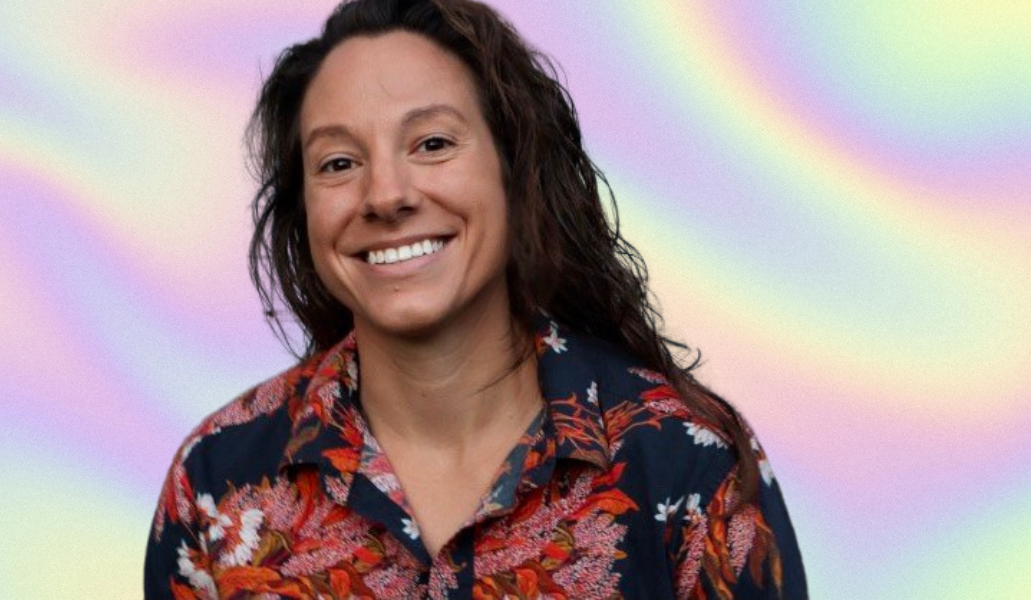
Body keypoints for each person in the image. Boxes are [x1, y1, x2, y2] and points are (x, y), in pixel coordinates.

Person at [144, 0, 806, 597]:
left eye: (432, 144)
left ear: (515, 171)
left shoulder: (686, 461)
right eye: (338, 162)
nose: (386, 195)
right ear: (304, 209)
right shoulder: (217, 482)